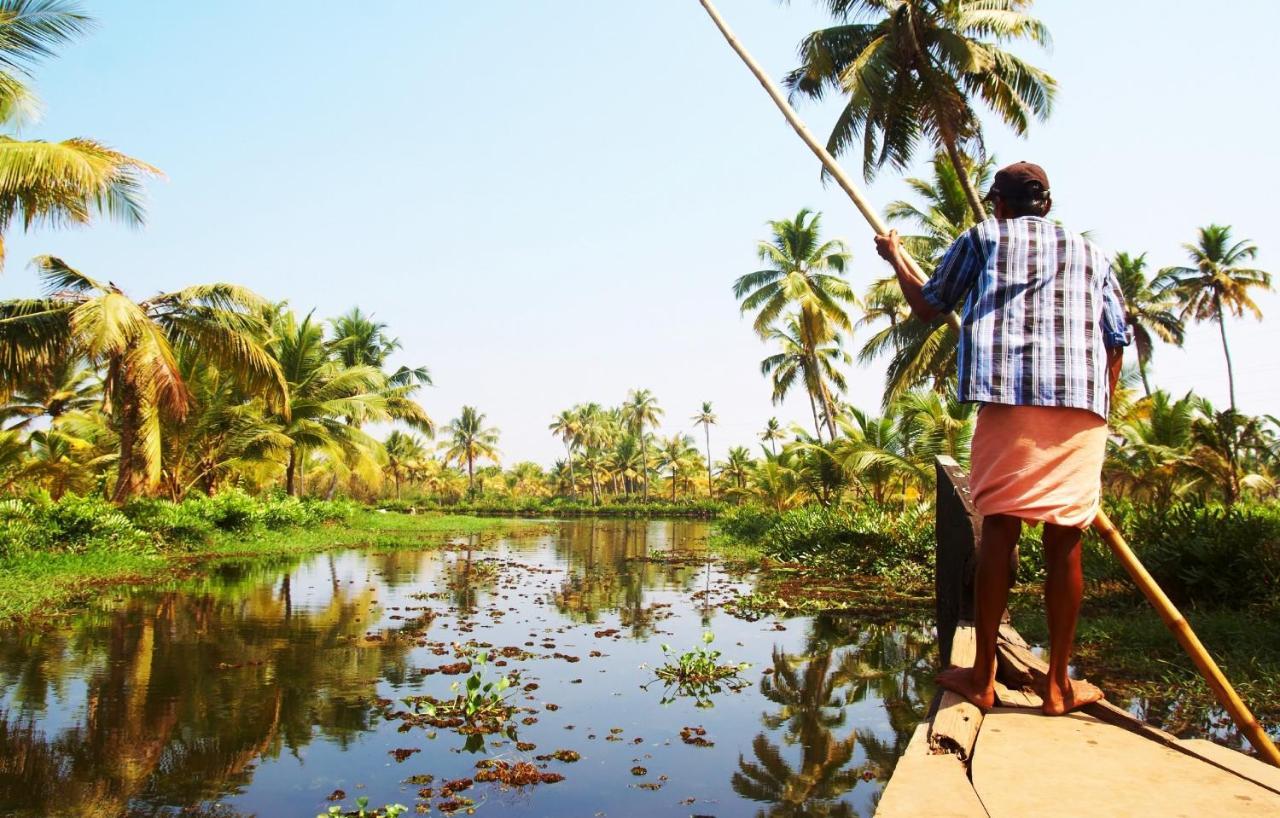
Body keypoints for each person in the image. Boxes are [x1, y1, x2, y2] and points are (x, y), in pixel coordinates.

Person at [874, 161, 1130, 716]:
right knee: (1066, 538)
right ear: (1048, 203)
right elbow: (1117, 340)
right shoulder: (1094, 254)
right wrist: (1100, 408)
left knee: (1000, 530)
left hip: (1010, 398)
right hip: (1084, 406)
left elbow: (929, 304)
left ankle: (984, 677)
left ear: (999, 203)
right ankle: (1059, 687)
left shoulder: (983, 237)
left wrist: (895, 257)